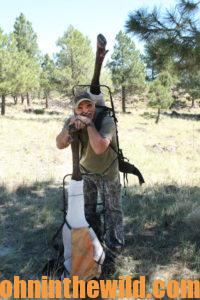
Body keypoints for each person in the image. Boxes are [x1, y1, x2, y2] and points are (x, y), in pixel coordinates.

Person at [56, 34, 124, 251]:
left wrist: (88, 125)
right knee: (88, 209)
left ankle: (115, 245)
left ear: (93, 106)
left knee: (113, 209)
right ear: (75, 109)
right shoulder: (72, 120)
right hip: (86, 172)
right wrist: (69, 130)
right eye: (80, 108)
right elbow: (59, 144)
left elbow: (99, 146)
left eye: (88, 106)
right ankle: (94, 241)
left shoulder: (105, 119)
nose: (85, 110)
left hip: (108, 171)